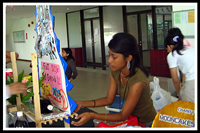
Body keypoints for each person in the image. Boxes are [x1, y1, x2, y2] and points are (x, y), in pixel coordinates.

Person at [71, 33, 157, 127]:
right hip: (131, 120)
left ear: (128, 57)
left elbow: (123, 115)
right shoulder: (116, 72)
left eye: (114, 57)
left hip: (146, 123)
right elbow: (109, 99)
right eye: (109, 55)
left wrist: (92, 115)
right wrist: (81, 104)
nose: (109, 60)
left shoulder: (138, 81)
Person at [164, 28, 195, 102]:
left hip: (192, 83)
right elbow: (184, 73)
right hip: (191, 80)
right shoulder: (190, 49)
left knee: (189, 108)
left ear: (169, 46)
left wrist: (179, 94)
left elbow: (175, 80)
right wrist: (183, 86)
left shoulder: (172, 55)